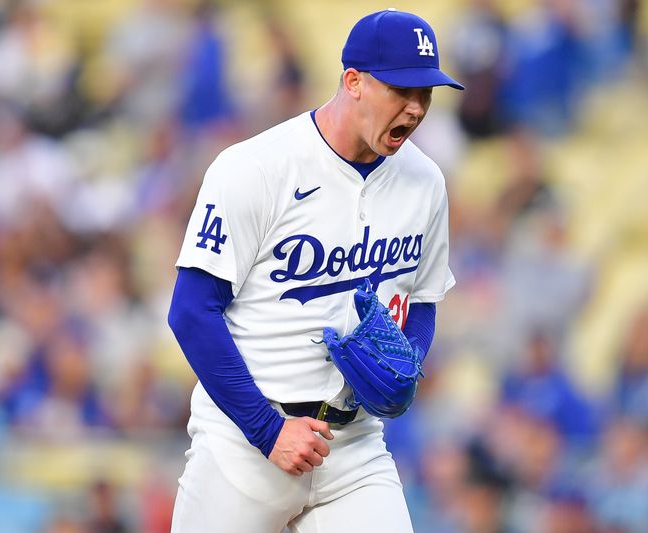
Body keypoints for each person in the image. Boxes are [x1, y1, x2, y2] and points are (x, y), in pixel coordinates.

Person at [167, 8, 462, 533]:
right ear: (353, 82)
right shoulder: (255, 168)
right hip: (244, 441)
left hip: (354, 448)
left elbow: (422, 300)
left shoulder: (425, 181)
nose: (416, 109)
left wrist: (408, 362)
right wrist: (266, 430)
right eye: (402, 91)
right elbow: (191, 312)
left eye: (427, 94)